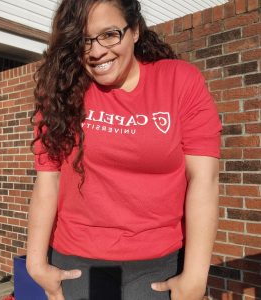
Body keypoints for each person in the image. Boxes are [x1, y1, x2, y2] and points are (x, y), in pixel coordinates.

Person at [26, 0, 222, 299]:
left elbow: (204, 179)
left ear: (135, 31)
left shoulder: (180, 81)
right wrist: (36, 262)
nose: (95, 51)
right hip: (77, 264)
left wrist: (195, 276)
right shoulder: (61, 92)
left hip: (159, 265)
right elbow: (47, 179)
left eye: (109, 34)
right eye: (83, 40)